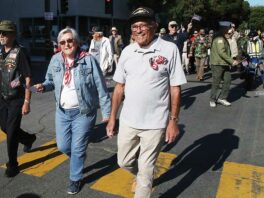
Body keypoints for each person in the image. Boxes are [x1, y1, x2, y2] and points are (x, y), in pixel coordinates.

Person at [106, 7, 187, 198]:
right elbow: (119, 88)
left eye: (143, 25)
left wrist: (173, 121)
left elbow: (175, 88)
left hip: (155, 123)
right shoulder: (127, 51)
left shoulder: (169, 49)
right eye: (135, 26)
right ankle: (144, 177)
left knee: (146, 169)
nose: (139, 30)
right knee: (123, 162)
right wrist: (112, 118)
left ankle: (145, 179)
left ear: (154, 26)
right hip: (128, 121)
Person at [33, 27, 111, 194]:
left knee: (77, 148)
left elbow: (102, 88)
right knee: (62, 146)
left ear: (76, 42)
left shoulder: (88, 60)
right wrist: (43, 86)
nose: (66, 44)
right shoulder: (55, 60)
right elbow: (50, 81)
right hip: (62, 112)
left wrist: (107, 115)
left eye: (70, 41)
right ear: (59, 45)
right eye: (62, 42)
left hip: (84, 112)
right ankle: (79, 158)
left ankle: (75, 178)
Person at [0, 20, 36, 177]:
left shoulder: (20, 52)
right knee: (5, 128)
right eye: (0, 32)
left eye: (5, 32)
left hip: (17, 98)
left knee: (12, 131)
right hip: (2, 98)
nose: (1, 35)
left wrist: (27, 101)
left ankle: (13, 164)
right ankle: (28, 139)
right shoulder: (0, 51)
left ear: (13, 35)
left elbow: (28, 78)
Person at [209, 21, 239, 108]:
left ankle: (222, 98)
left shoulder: (223, 38)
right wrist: (232, 61)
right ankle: (212, 99)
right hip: (217, 64)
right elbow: (221, 52)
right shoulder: (219, 39)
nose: (231, 30)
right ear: (224, 29)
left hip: (224, 64)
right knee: (216, 82)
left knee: (228, 80)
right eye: (229, 28)